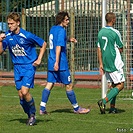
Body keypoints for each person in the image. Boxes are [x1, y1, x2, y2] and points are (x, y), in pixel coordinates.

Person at [0, 12, 47, 125]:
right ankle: (29, 115)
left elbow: (43, 43)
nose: (10, 26)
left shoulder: (27, 35)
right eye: (8, 24)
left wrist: (39, 59)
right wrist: (0, 41)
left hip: (29, 66)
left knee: (25, 92)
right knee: (21, 96)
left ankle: (32, 114)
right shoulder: (8, 36)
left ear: (18, 23)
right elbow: (0, 52)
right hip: (17, 68)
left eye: (11, 24)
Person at [39, 11, 90, 115]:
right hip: (60, 63)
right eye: (66, 19)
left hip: (51, 60)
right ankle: (77, 108)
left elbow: (58, 39)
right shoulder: (62, 30)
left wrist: (68, 39)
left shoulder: (53, 29)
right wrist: (57, 62)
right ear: (61, 20)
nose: (68, 21)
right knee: (69, 85)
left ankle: (42, 108)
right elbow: (58, 46)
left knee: (49, 84)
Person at [97, 12, 125, 114]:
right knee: (121, 85)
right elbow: (121, 47)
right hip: (114, 62)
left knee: (114, 85)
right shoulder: (115, 32)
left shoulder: (100, 32)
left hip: (105, 62)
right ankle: (103, 101)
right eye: (115, 18)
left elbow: (99, 49)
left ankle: (112, 108)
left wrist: (100, 64)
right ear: (113, 20)